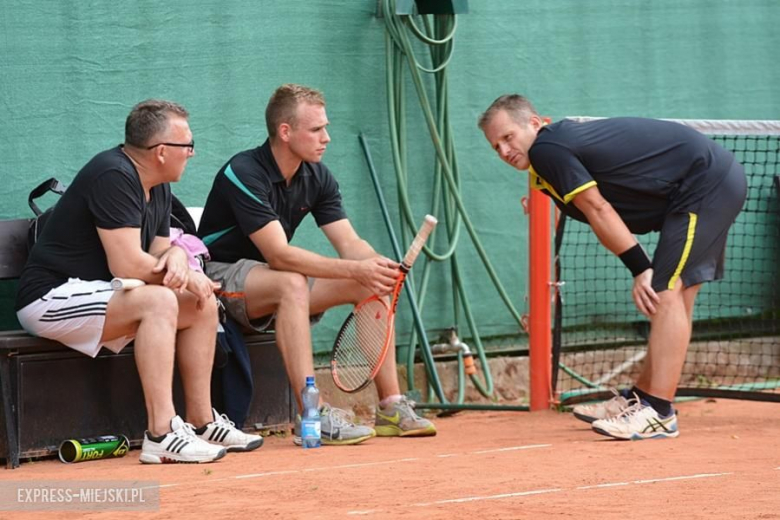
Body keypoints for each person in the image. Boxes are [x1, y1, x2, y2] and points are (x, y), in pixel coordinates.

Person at [478, 95, 746, 440]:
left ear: (535, 123)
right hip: (700, 186)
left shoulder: (548, 150)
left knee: (664, 291)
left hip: (703, 184)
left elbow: (598, 209)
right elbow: (599, 210)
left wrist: (640, 268)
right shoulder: (546, 159)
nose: (502, 151)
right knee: (678, 295)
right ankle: (643, 398)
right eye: (494, 146)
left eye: (507, 137)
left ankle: (659, 413)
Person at [15, 100, 263, 463]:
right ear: (162, 152)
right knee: (161, 300)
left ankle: (202, 421)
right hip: (50, 298)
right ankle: (161, 433)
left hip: (105, 294)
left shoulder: (157, 183)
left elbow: (160, 249)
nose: (192, 154)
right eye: (188, 146)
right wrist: (184, 275)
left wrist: (179, 257)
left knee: (201, 304)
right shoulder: (113, 175)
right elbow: (127, 262)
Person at [197, 84, 436, 445]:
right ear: (285, 132)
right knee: (291, 281)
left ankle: (391, 406)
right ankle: (312, 414)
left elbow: (349, 242)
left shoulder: (317, 175)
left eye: (326, 127)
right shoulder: (244, 171)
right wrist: (355, 268)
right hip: (217, 280)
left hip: (269, 279)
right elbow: (279, 255)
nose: (326, 138)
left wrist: (376, 265)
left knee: (370, 283)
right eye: (316, 130)